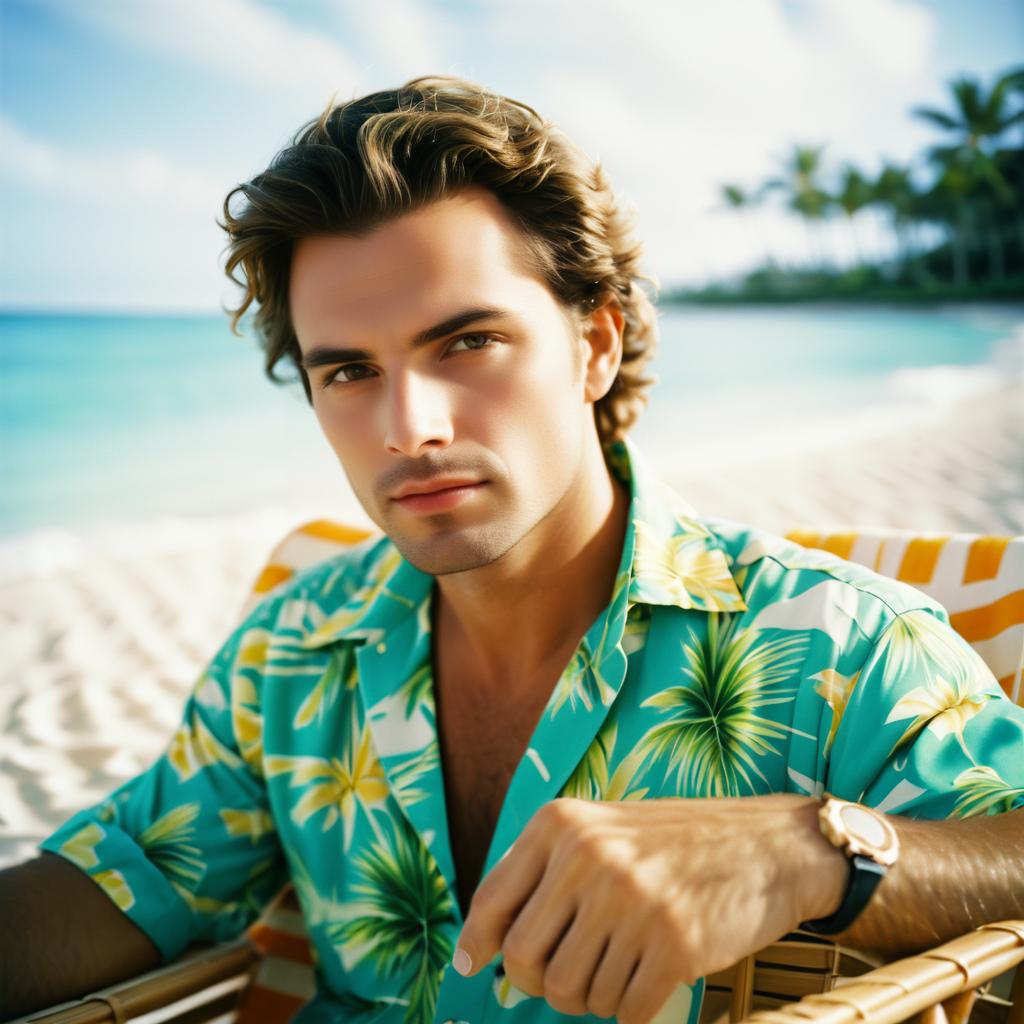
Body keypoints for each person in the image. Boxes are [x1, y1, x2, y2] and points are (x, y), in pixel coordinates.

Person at [2, 76, 1022, 1024]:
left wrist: (815, 845)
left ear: (595, 345)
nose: (408, 427)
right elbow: (129, 875)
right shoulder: (292, 650)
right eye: (349, 369)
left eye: (466, 342)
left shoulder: (830, 643)